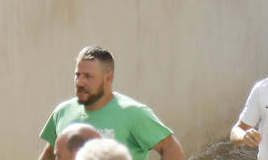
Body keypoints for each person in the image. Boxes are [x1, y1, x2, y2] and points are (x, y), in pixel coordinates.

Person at [38, 46, 183, 160]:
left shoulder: (134, 113)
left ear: (108, 78)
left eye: (88, 76)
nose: (80, 82)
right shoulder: (63, 111)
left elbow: (171, 149)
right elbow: (51, 153)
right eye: (77, 75)